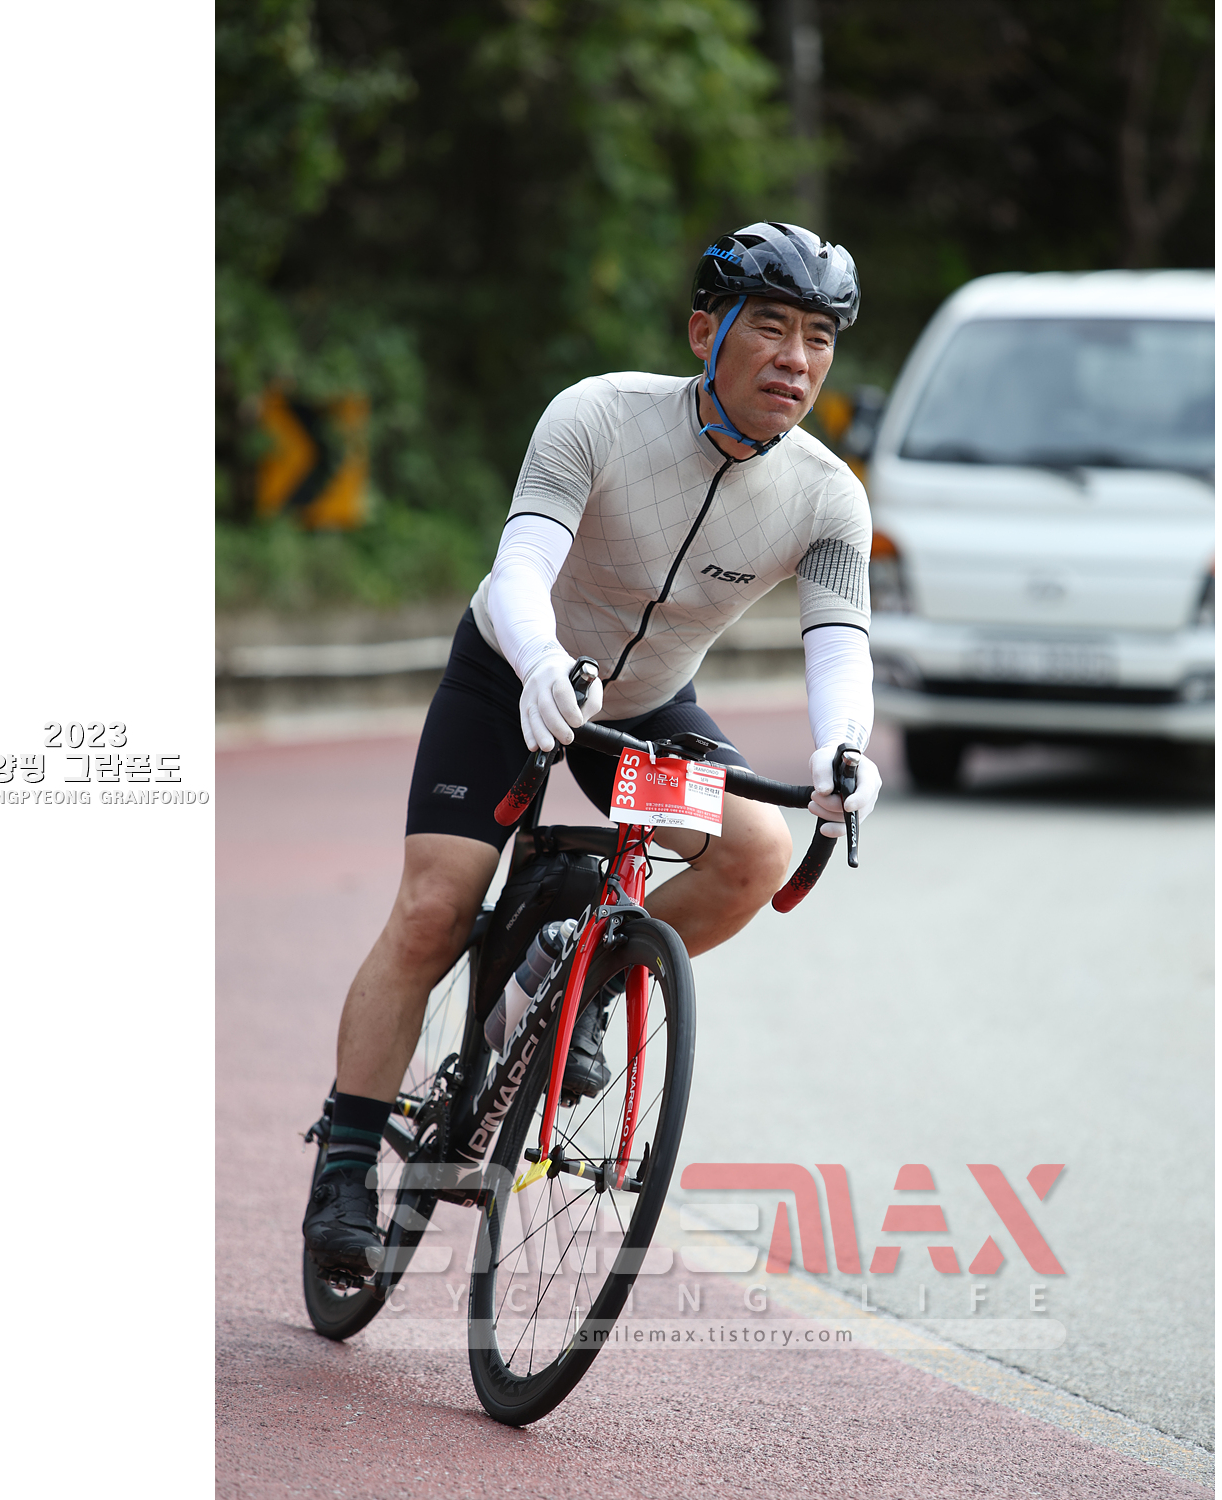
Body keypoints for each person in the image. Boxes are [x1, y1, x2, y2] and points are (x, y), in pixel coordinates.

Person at [303, 221, 884, 1271]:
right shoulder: (600, 415)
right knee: (434, 910)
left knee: (754, 852)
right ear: (704, 333)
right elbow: (520, 568)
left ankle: (582, 975)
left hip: (643, 709)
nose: (796, 360)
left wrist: (845, 749)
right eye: (769, 327)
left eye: (819, 338)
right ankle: (346, 1164)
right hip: (511, 673)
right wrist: (538, 663)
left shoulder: (826, 494)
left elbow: (839, 643)